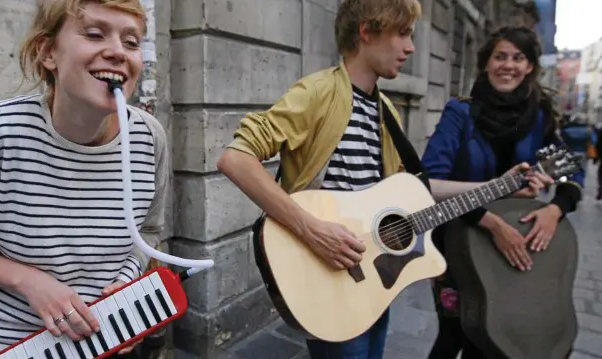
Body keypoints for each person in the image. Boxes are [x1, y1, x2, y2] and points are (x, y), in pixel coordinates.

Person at [215, 1, 552, 357]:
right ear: (367, 31)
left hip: (374, 281)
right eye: (403, 34)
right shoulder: (316, 93)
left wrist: (499, 184)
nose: (411, 47)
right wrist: (313, 230)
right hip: (328, 277)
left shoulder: (386, 112)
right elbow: (235, 159)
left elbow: (414, 188)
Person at [0, 1, 170, 358]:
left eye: (132, 42)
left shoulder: (149, 138)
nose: (119, 52)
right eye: (94, 34)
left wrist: (127, 287)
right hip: (11, 346)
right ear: (48, 53)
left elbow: (147, 234)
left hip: (111, 337)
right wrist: (29, 281)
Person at [420, 26, 585, 359]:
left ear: (530, 68)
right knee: (457, 332)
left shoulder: (539, 118)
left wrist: (555, 209)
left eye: (518, 58)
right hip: (460, 239)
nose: (508, 65)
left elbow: (572, 172)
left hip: (517, 238)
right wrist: (490, 223)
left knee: (503, 333)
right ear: (486, 63)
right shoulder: (460, 113)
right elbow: (430, 180)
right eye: (500, 56)